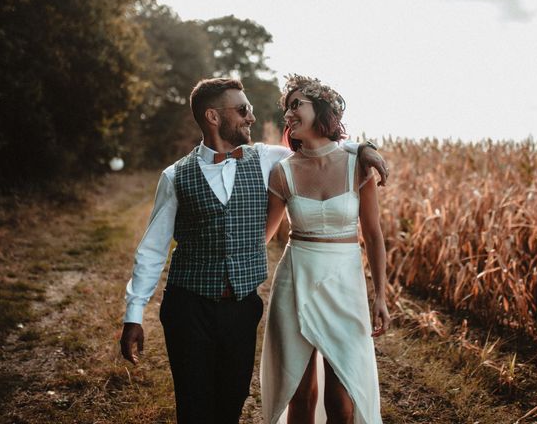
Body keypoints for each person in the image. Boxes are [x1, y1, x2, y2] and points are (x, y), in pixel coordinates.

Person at [119, 77, 388, 424]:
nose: (252, 117)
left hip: (244, 307)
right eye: (243, 109)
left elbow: (328, 149)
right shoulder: (175, 177)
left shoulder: (266, 158)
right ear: (214, 117)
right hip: (190, 303)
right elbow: (152, 250)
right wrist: (133, 315)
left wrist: (364, 147)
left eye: (251, 109)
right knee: (195, 401)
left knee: (234, 398)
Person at [261, 74, 391, 424]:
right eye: (286, 108)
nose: (288, 114)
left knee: (342, 395)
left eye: (295, 105)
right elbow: (264, 236)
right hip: (295, 280)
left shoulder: (357, 164)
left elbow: (374, 235)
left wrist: (380, 295)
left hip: (344, 284)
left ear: (321, 109)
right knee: (299, 393)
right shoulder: (282, 172)